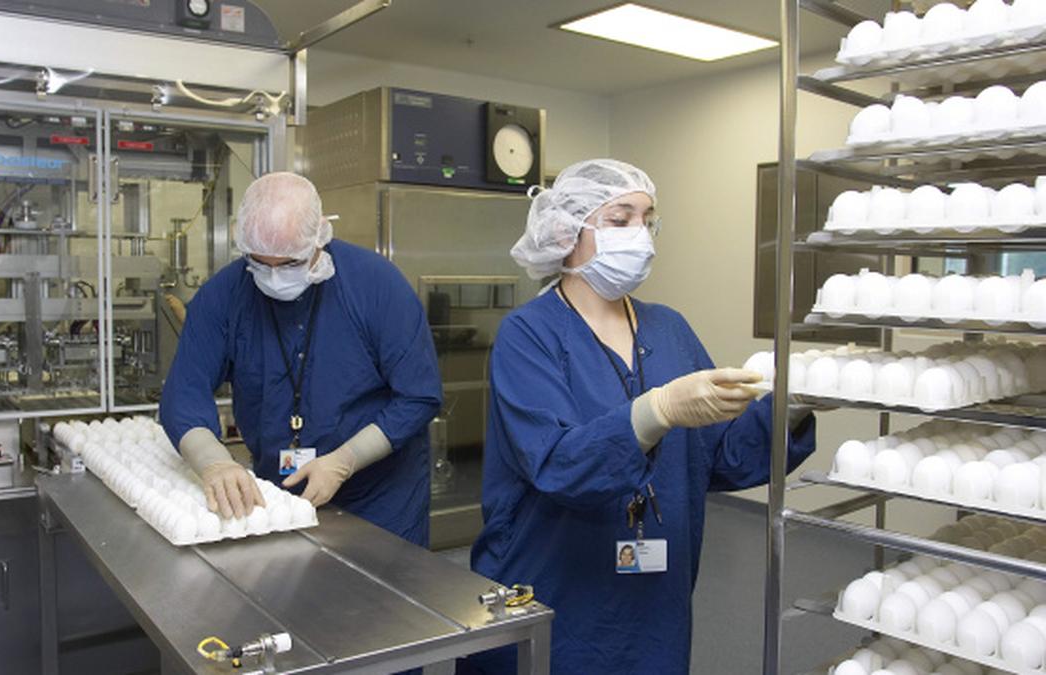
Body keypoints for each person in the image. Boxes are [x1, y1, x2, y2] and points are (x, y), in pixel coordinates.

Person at [465, 159, 817, 674]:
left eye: (648, 219)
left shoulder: (668, 329)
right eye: (620, 219)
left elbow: (721, 456)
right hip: (554, 584)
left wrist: (792, 405)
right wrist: (659, 410)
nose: (641, 235)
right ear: (564, 232)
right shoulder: (529, 335)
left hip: (654, 598)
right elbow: (558, 464)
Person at [159, 171, 442, 545]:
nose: (275, 278)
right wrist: (214, 462)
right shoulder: (223, 296)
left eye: (291, 263)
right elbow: (184, 393)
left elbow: (418, 395)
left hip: (380, 499)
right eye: (261, 264)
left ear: (320, 236)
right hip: (277, 495)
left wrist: (345, 460)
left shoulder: (376, 285)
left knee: (385, 580)